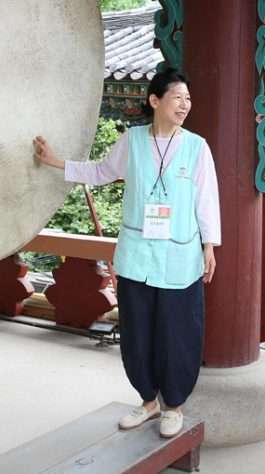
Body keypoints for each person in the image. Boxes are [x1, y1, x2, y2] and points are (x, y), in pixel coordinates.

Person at [32, 68, 220, 439]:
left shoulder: (197, 147)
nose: (185, 105)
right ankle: (148, 401)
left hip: (180, 257)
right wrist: (55, 162)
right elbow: (100, 172)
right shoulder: (132, 141)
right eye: (177, 97)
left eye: (188, 99)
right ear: (155, 101)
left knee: (178, 333)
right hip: (137, 256)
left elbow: (206, 199)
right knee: (138, 332)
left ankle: (175, 406)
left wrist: (209, 245)